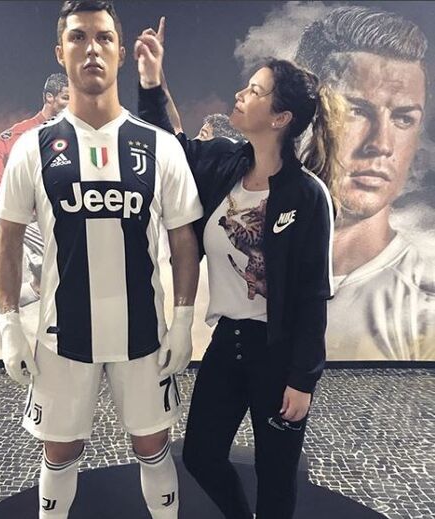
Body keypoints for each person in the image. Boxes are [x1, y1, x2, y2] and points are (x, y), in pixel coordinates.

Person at [0, 2, 202, 519]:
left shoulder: (159, 147)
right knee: (60, 451)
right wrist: (9, 324)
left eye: (104, 38)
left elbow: (183, 240)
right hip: (62, 336)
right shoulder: (32, 148)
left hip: (143, 335)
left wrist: (181, 321)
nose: (92, 49)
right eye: (79, 37)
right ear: (59, 52)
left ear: (121, 52)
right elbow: (8, 239)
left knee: (153, 445)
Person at [136, 18, 342, 519]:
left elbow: (314, 295)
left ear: (280, 118)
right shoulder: (224, 164)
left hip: (279, 354)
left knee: (276, 475)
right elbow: (172, 147)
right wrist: (151, 81)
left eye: (254, 91)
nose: (240, 95)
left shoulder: (307, 196)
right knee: (201, 456)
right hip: (227, 342)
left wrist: (303, 379)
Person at [295, 6, 435, 360]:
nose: (381, 144)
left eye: (403, 118)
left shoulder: (424, 310)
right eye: (355, 110)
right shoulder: (232, 261)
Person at [0, 73, 69, 348]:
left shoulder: (67, 131)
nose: (70, 103)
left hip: (54, 215)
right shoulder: (27, 130)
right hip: (29, 218)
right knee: (67, 263)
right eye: (65, 98)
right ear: (49, 98)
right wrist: (12, 191)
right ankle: (60, 333)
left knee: (43, 283)